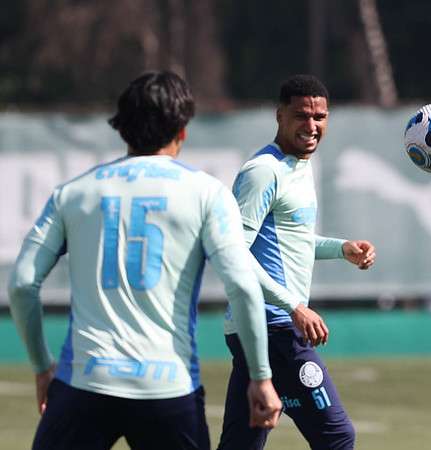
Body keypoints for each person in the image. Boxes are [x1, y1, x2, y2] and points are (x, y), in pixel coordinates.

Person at [7, 71, 282, 450]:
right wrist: (260, 376)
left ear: (122, 130)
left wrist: (41, 366)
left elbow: (22, 284)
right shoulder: (207, 194)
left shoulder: (73, 194)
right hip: (168, 387)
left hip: (85, 383)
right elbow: (242, 286)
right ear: (182, 131)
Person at [217, 74, 376, 450]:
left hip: (260, 327)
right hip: (273, 328)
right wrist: (294, 307)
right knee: (336, 438)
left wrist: (343, 249)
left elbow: (294, 240)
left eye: (320, 117)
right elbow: (234, 252)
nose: (311, 126)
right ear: (279, 116)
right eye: (301, 116)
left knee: (241, 443)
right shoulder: (263, 172)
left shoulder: (298, 167)